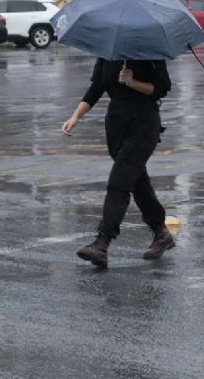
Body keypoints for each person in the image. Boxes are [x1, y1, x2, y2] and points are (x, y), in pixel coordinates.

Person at [62, 58, 174, 268]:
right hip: (116, 125)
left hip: (143, 124)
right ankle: (161, 232)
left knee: (119, 182)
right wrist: (75, 116)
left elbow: (161, 88)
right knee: (136, 181)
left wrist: (133, 83)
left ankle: (102, 242)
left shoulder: (149, 51)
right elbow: (97, 87)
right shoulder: (107, 53)